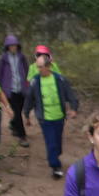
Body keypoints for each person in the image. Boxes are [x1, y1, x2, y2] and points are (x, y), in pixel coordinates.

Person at [23, 45, 80, 179]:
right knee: (50, 142)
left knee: (57, 141)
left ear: (48, 67)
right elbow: (29, 99)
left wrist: (73, 109)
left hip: (59, 116)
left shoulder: (60, 79)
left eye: (41, 67)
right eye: (37, 67)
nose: (38, 69)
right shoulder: (35, 81)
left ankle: (55, 155)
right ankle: (55, 166)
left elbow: (71, 95)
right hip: (45, 118)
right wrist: (26, 115)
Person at [0, 35, 30, 144]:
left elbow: (27, 70)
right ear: (7, 47)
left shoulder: (22, 57)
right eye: (10, 46)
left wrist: (28, 83)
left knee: (19, 110)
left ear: (18, 46)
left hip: (21, 88)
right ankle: (22, 136)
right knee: (17, 113)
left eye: (14, 45)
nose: (13, 48)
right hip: (9, 90)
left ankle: (14, 125)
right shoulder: (3, 59)